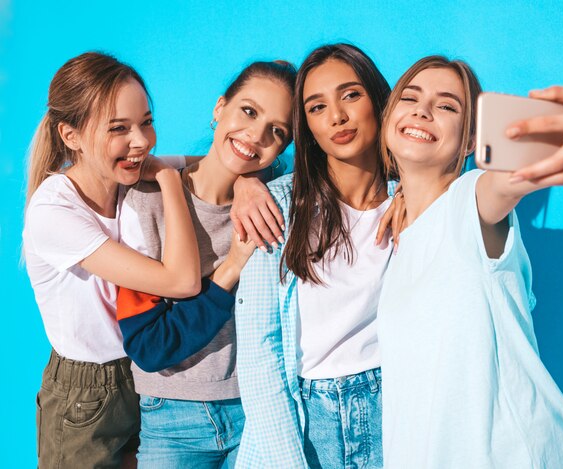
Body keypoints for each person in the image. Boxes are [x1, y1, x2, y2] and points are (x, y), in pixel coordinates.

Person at [377, 55, 563, 468]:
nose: (423, 110)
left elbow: (521, 173)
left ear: (469, 142)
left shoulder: (472, 198)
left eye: (447, 105)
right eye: (409, 98)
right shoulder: (397, 239)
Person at [23, 52, 201, 468]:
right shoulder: (53, 211)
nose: (141, 141)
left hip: (144, 376)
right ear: (71, 136)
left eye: (147, 122)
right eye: (119, 128)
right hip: (84, 396)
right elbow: (181, 281)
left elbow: (222, 168)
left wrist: (247, 186)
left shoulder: (128, 175)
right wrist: (171, 180)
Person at [116, 60, 296, 469]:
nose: (256, 136)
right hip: (171, 418)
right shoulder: (146, 202)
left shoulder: (275, 203)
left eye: (277, 131)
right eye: (248, 111)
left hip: (257, 411)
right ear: (220, 107)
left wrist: (251, 181)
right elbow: (150, 346)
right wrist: (232, 264)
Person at [234, 43, 393, 469]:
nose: (337, 117)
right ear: (306, 124)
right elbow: (259, 351)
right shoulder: (279, 206)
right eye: (317, 106)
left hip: (397, 405)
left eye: (351, 95)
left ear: (379, 100)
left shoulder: (415, 203)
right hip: (310, 420)